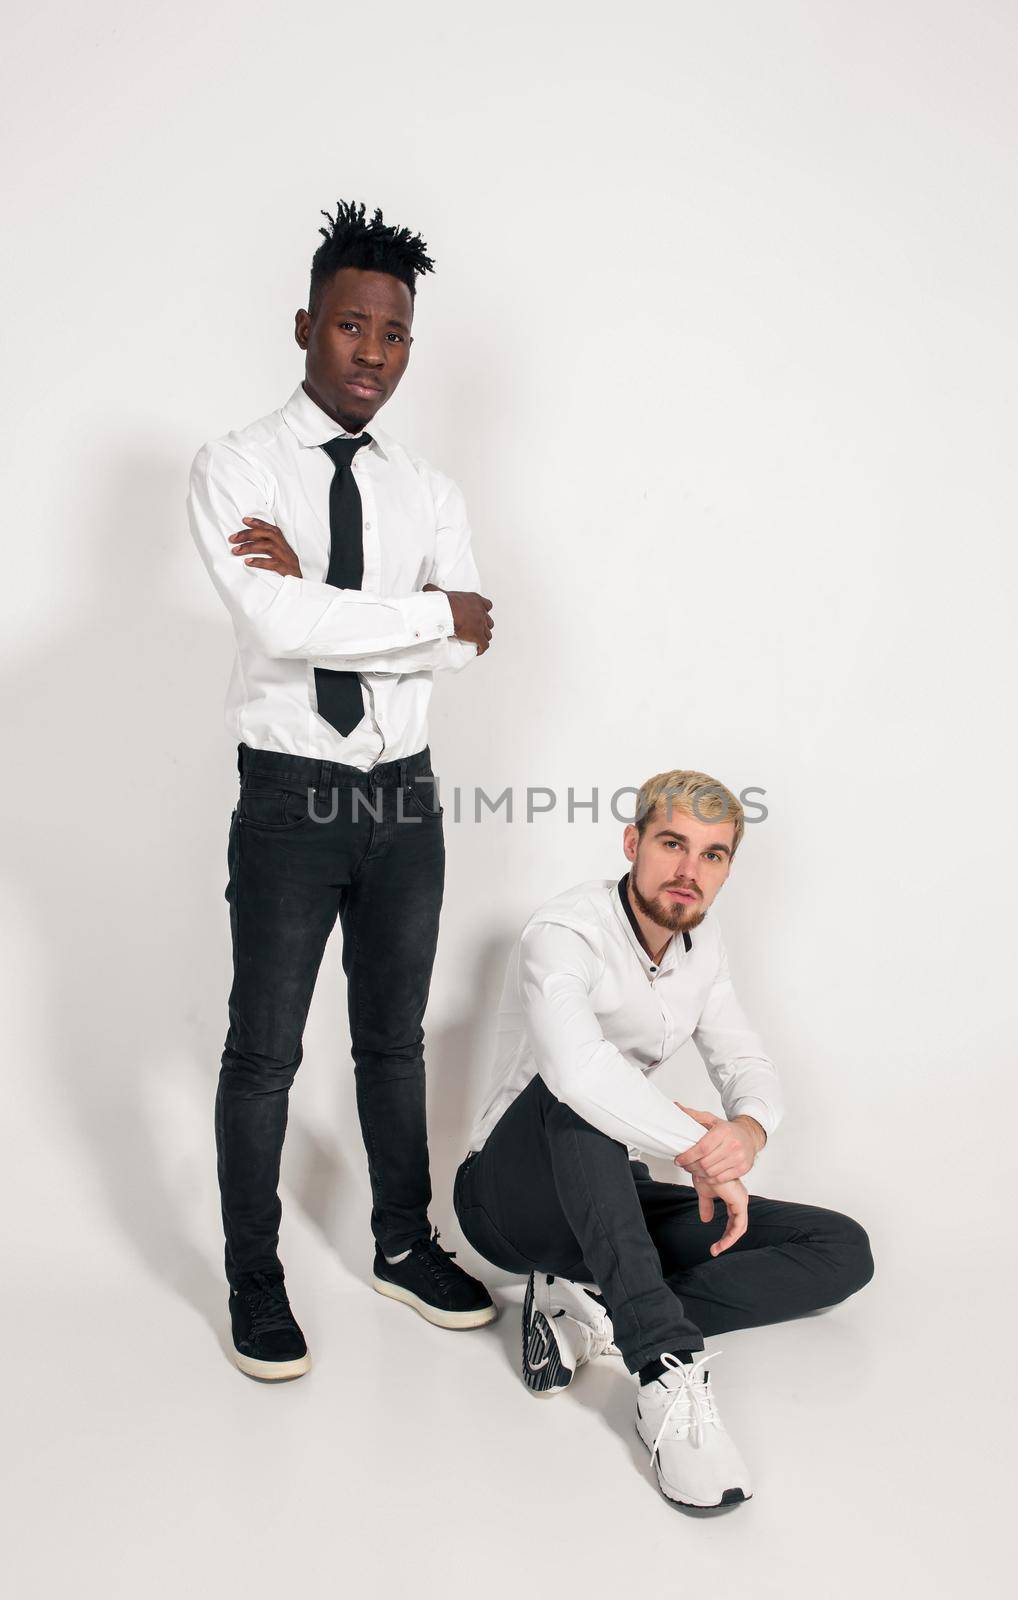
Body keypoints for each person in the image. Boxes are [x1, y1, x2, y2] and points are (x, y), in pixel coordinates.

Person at [188, 199, 498, 1383]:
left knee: (393, 1044)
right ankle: (251, 1277)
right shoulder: (235, 466)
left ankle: (400, 1243)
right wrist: (425, 617)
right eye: (352, 326)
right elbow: (275, 618)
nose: (373, 353)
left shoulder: (430, 488)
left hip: (404, 801)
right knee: (263, 1051)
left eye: (396, 335)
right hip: (289, 801)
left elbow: (475, 642)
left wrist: (344, 610)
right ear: (306, 324)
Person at [453, 769, 874, 1508]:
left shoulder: (701, 949)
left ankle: (598, 1308)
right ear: (632, 842)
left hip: (608, 1198)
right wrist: (693, 1146)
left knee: (840, 1248)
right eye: (672, 843)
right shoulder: (566, 932)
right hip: (509, 1199)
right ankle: (662, 1369)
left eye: (711, 855)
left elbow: (745, 1062)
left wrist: (743, 1133)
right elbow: (578, 1074)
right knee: (578, 1091)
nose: (688, 870)